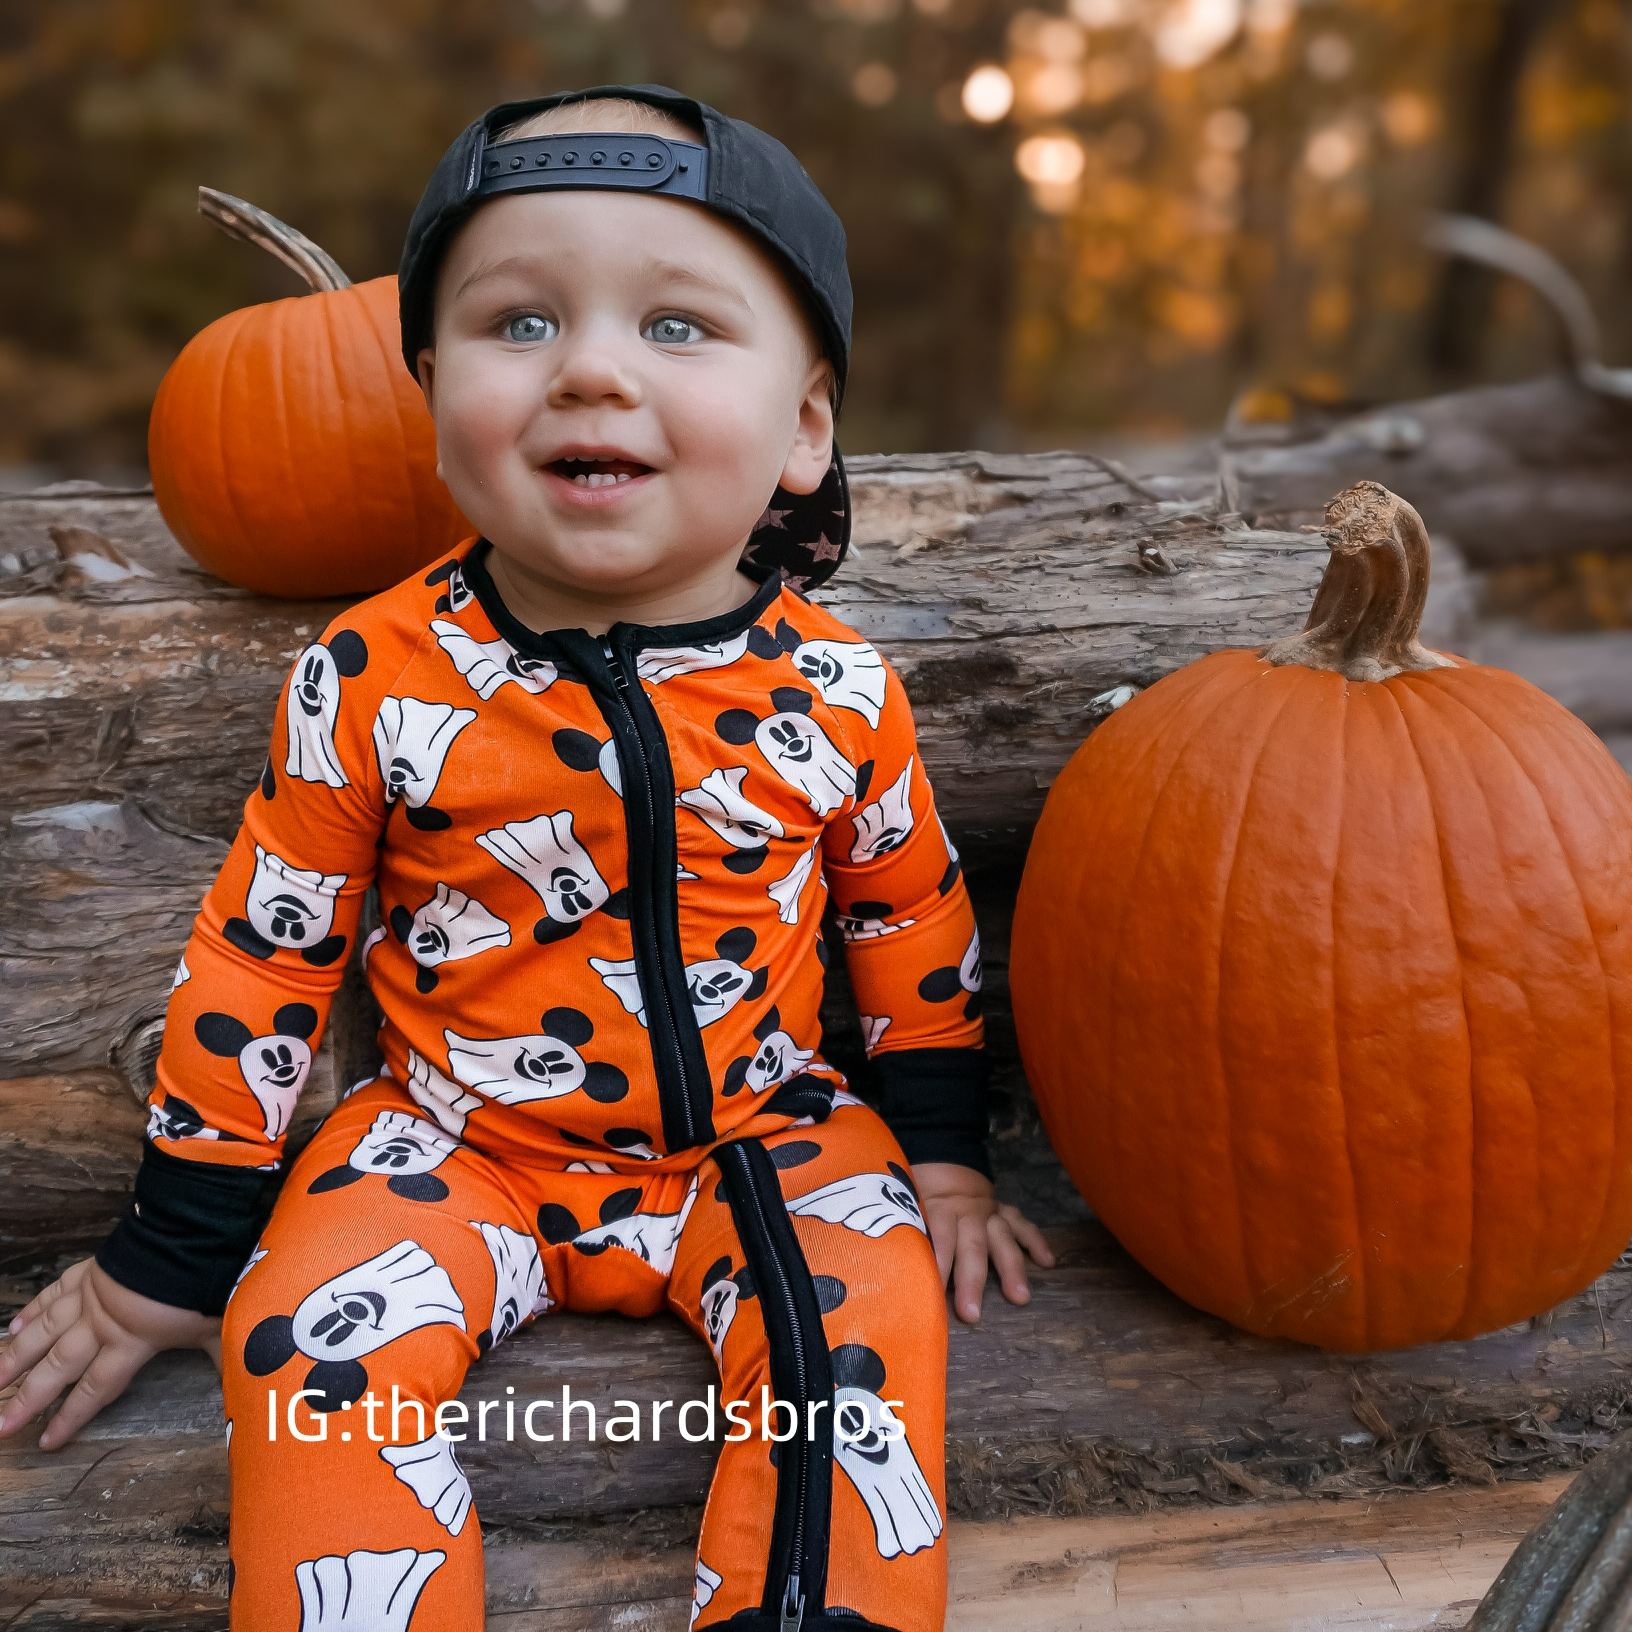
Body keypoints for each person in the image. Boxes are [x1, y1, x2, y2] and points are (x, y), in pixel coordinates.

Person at [0, 83, 1055, 1630]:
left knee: (863, 1341)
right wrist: (171, 1253)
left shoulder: (834, 691)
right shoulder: (372, 679)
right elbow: (262, 956)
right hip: (453, 1138)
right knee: (302, 1345)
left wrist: (947, 1153)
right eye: (519, 324)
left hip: (762, 1135)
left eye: (679, 327)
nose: (592, 374)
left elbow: (910, 917)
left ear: (806, 428)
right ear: (428, 392)